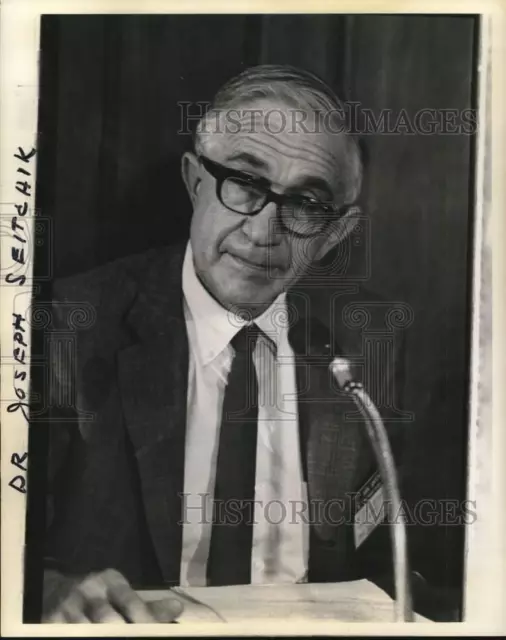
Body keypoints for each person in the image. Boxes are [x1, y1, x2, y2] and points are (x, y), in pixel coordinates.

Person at [41, 64, 409, 623]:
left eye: (307, 205)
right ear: (195, 181)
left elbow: (396, 555)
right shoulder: (64, 327)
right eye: (245, 182)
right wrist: (46, 592)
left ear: (335, 233)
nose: (264, 231)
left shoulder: (370, 339)